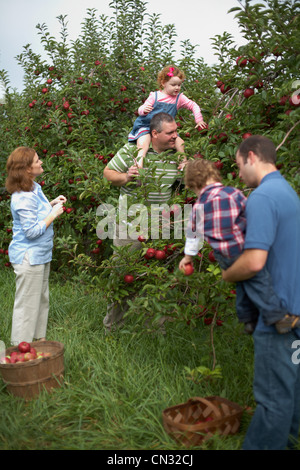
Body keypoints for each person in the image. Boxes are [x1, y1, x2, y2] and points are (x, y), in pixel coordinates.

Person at [221, 135, 300, 450]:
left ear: (251, 157)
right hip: (295, 308)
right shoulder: (288, 192)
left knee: (273, 399)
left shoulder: (263, 197)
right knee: (292, 393)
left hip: (277, 315)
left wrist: (229, 273)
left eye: (239, 165)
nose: (239, 174)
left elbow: (254, 261)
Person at [179, 158, 297, 335]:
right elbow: (250, 213)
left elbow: (193, 235)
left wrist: (188, 258)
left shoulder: (198, 206)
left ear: (194, 185)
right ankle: (278, 317)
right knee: (259, 280)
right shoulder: (232, 193)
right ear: (214, 175)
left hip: (222, 255)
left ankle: (248, 319)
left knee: (242, 281)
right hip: (241, 247)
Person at [103, 112, 183, 330]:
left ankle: (157, 329)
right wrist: (126, 177)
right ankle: (113, 327)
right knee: (122, 275)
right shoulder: (133, 151)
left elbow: (190, 181)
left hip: (160, 228)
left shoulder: (175, 156)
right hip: (129, 225)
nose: (175, 136)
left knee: (159, 278)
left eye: (176, 131)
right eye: (170, 133)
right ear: (154, 134)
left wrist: (184, 155)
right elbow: (108, 172)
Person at [5, 147, 67, 345]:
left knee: (41, 298)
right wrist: (53, 214)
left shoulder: (33, 187)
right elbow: (31, 231)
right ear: (26, 168)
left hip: (40, 254)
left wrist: (51, 204)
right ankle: (20, 348)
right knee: (26, 304)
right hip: (28, 256)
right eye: (37, 161)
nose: (41, 163)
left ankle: (39, 342)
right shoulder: (23, 197)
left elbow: (36, 212)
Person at [128, 65, 207, 166]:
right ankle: (139, 164)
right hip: (146, 125)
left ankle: (183, 165)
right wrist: (144, 110)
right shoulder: (155, 96)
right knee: (143, 143)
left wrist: (199, 120)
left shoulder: (179, 98)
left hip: (166, 130)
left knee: (180, 143)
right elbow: (140, 109)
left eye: (179, 85)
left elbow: (193, 105)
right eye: (173, 85)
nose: (177, 88)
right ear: (163, 83)